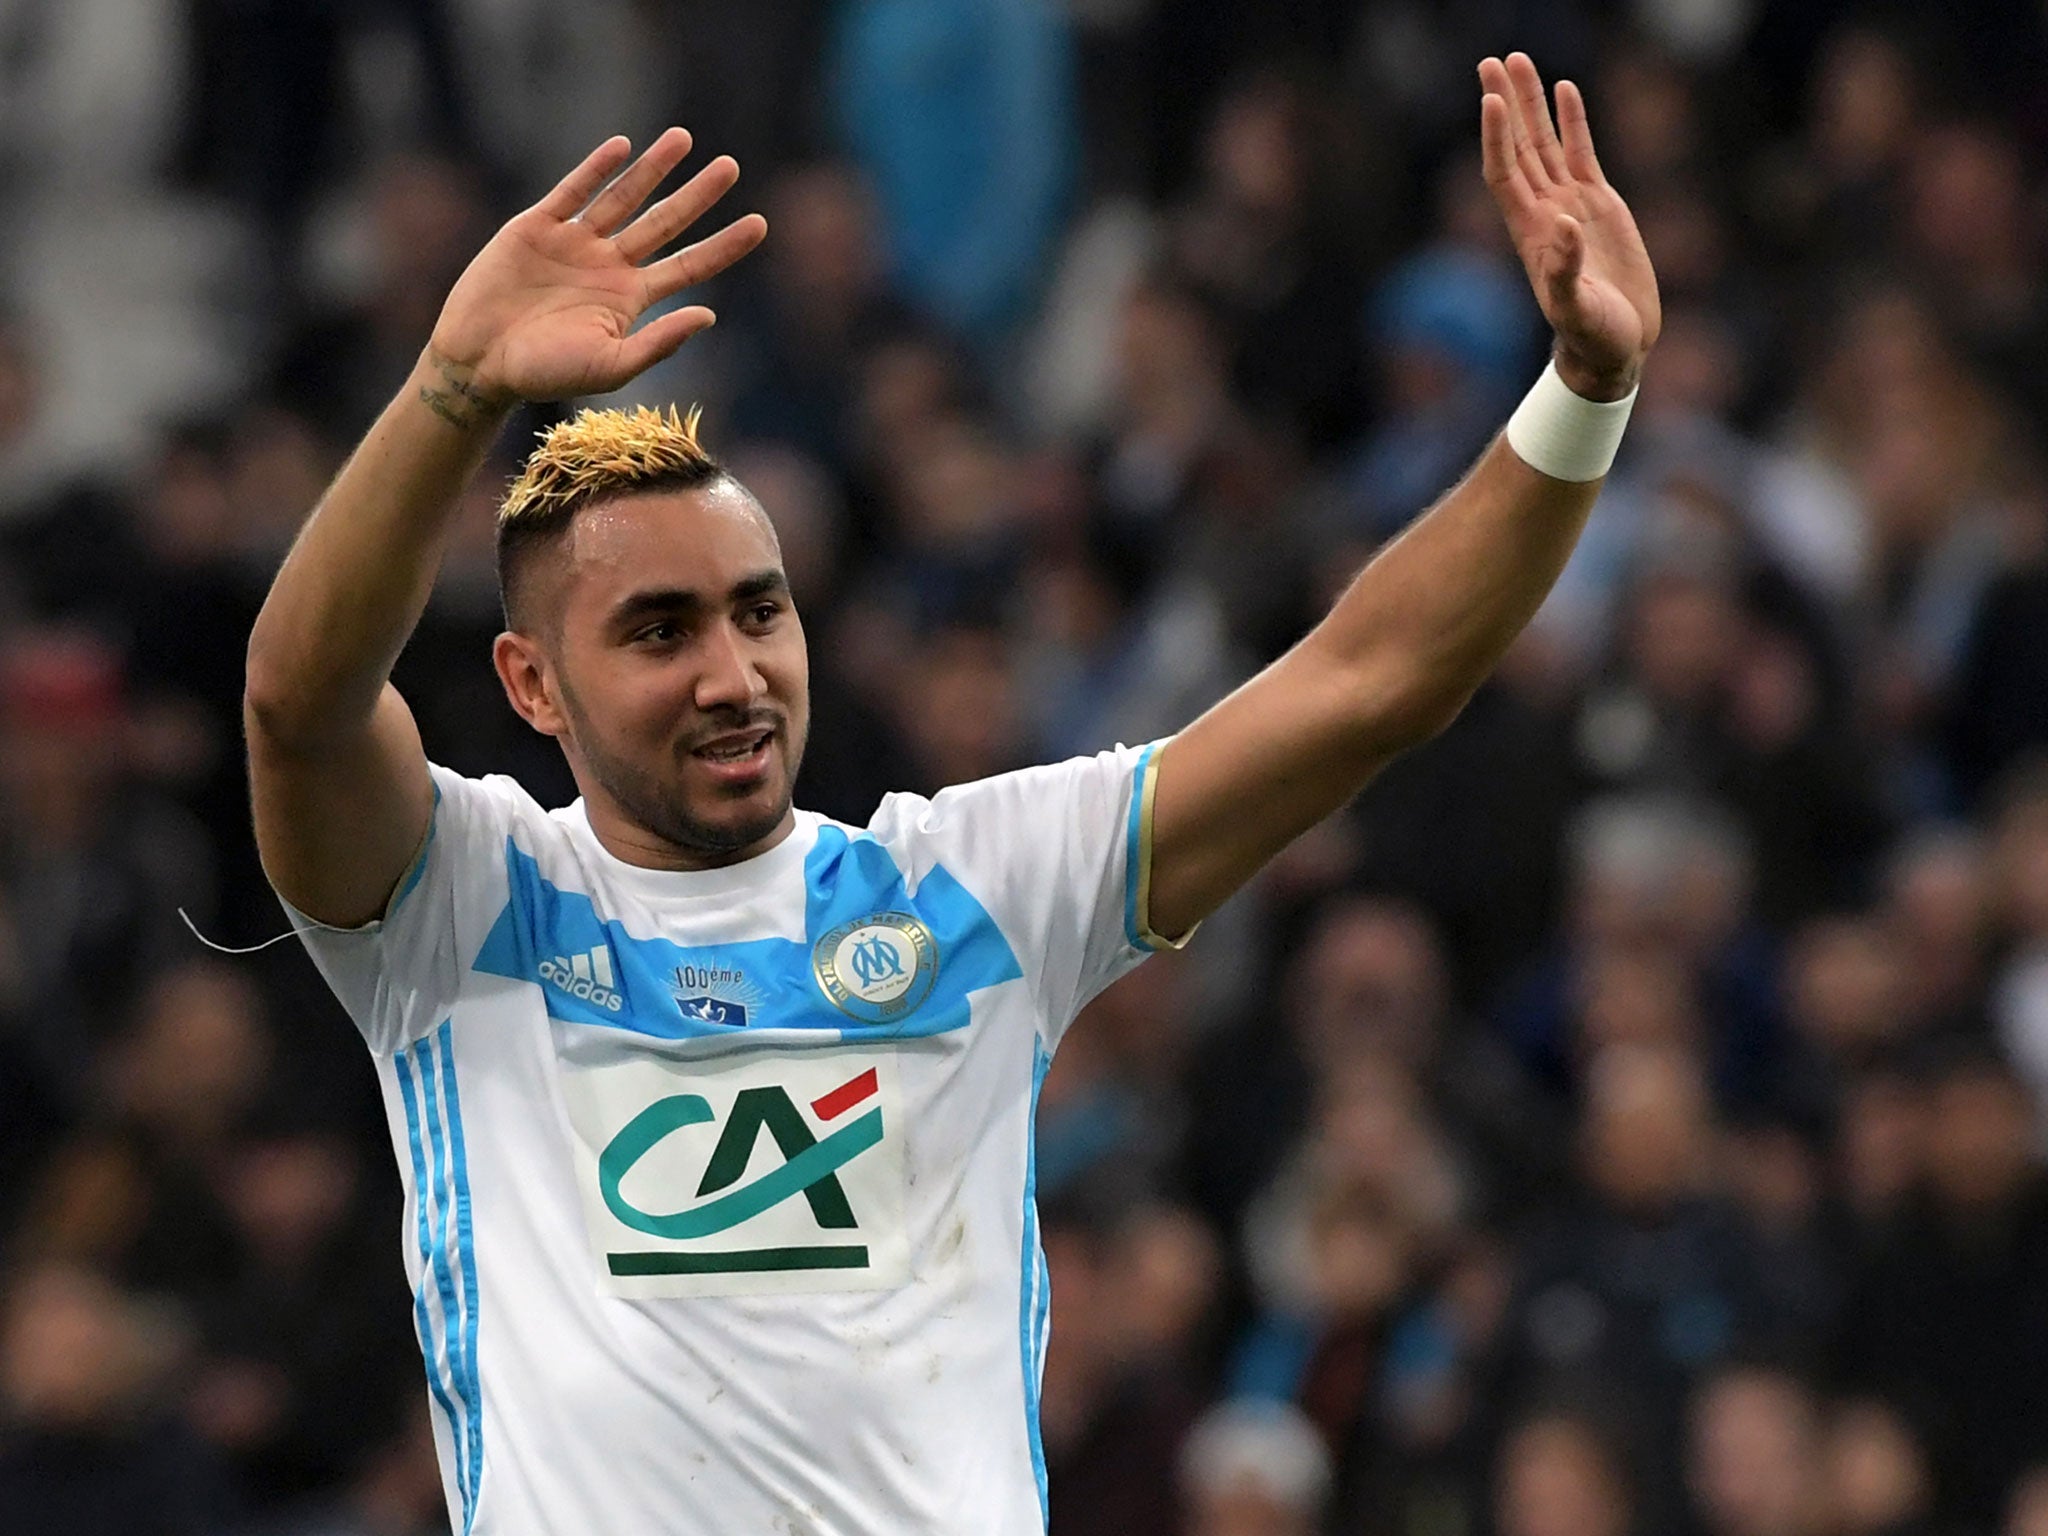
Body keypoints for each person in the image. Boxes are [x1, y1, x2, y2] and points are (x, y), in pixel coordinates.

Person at [241, 54, 1658, 1536]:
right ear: (532, 685)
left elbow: (1371, 683)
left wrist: (1587, 390)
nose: (733, 672)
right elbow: (299, 703)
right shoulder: (464, 909)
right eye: (659, 631)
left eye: (757, 610)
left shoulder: (968, 890)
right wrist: (454, 393)